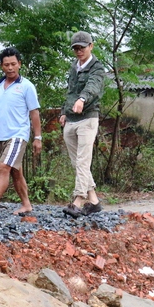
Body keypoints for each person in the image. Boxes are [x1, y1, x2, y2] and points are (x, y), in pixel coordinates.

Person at [0, 47, 43, 215]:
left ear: (20, 64)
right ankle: (26, 204)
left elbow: (34, 112)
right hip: (3, 135)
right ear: (2, 66)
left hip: (19, 134)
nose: (10, 68)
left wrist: (38, 137)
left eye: (13, 64)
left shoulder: (26, 86)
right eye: (6, 65)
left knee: (3, 167)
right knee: (16, 171)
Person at [60, 31, 106, 218]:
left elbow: (93, 87)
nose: (79, 51)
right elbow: (70, 91)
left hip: (88, 118)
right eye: (76, 48)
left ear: (91, 46)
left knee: (83, 160)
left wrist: (82, 99)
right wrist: (64, 111)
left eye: (82, 47)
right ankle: (93, 201)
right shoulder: (74, 67)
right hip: (71, 119)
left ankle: (78, 200)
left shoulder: (97, 68)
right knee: (77, 162)